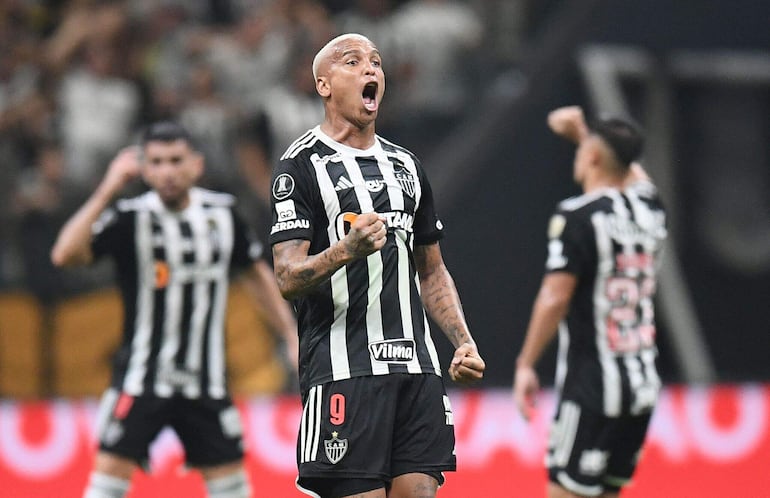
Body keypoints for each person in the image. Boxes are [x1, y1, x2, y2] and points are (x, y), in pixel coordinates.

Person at [269, 33, 486, 498]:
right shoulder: (300, 166)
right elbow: (287, 277)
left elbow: (432, 270)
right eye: (354, 62)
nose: (371, 70)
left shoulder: (406, 166)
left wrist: (462, 341)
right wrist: (345, 250)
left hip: (418, 371)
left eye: (377, 62)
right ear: (324, 85)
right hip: (345, 372)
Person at [50, 121, 298, 498]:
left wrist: (290, 335)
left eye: (175, 160)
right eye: (157, 162)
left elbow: (257, 275)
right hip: (141, 379)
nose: (167, 171)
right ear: (144, 169)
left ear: (196, 164)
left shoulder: (222, 215)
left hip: (206, 382)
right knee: (104, 488)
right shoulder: (130, 217)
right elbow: (65, 254)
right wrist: (108, 187)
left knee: (233, 490)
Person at [512, 106, 667, 498]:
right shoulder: (651, 209)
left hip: (592, 388)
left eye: (584, 150)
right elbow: (630, 170)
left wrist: (526, 363)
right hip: (641, 385)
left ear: (594, 157)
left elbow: (555, 296)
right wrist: (584, 133)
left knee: (567, 489)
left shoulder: (578, 215)